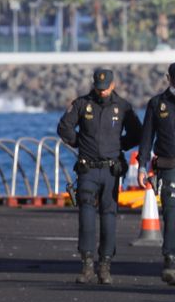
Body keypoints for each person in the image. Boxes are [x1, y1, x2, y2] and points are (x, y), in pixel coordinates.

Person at [58, 68, 142, 284]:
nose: (102, 91)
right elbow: (64, 127)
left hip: (111, 170)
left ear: (112, 85)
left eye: (105, 88)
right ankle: (87, 264)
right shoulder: (82, 104)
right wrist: (80, 143)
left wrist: (119, 146)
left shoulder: (122, 106)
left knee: (109, 216)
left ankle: (105, 265)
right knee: (86, 216)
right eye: (98, 87)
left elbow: (137, 133)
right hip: (87, 169)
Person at [137, 62, 175, 287]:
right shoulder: (157, 103)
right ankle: (169, 259)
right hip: (168, 166)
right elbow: (147, 136)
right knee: (171, 213)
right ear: (168, 79)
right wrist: (142, 166)